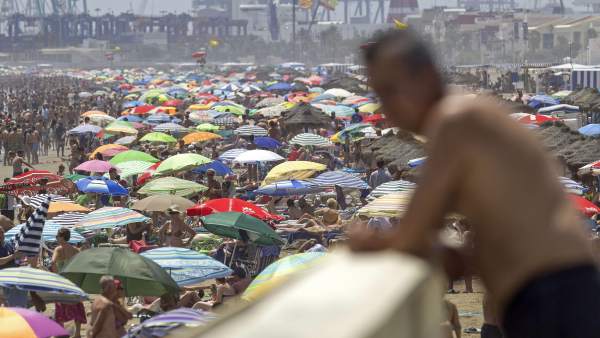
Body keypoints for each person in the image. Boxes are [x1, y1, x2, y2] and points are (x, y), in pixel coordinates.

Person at [352, 29, 600, 337]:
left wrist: (369, 243)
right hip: (554, 293)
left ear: (427, 77)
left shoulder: (455, 120)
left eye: (391, 92)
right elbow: (464, 252)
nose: (385, 109)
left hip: (552, 295)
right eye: (379, 95)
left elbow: (413, 233)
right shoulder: (472, 119)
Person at [52, 228, 86, 338]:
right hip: (73, 282)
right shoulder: (76, 250)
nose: (56, 238)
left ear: (62, 237)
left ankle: (61, 332)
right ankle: (77, 333)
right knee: (77, 307)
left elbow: (52, 263)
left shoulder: (58, 249)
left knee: (60, 307)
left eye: (57, 236)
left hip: (62, 282)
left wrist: (56, 275)